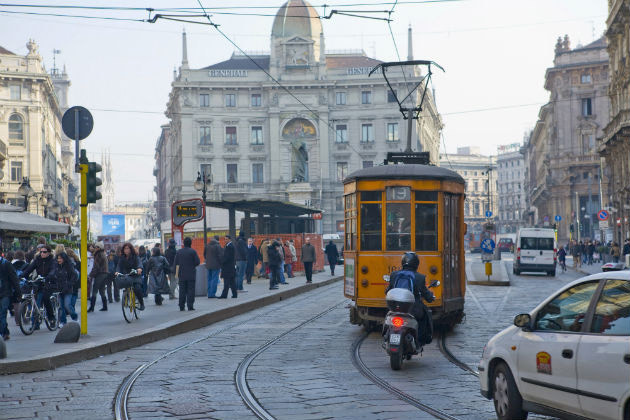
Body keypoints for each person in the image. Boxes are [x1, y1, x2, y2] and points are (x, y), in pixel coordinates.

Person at [386, 252, 435, 345]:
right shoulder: (420, 277)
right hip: (413, 310)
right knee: (425, 316)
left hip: (395, 308)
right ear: (416, 263)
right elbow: (425, 293)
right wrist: (430, 297)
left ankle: (385, 336)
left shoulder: (394, 275)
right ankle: (420, 341)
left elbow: (388, 290)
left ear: (403, 262)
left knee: (388, 317)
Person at [22, 245, 56, 329]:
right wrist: (22, 276)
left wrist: (48, 277)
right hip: (39, 282)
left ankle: (52, 318)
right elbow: (29, 269)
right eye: (41, 252)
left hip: (49, 282)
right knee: (36, 302)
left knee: (45, 298)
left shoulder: (52, 261)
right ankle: (35, 324)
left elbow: (53, 270)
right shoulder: (37, 260)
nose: (42, 253)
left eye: (44, 252)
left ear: (48, 253)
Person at [48, 252, 79, 325]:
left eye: (60, 258)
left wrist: (69, 284)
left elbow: (75, 276)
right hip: (58, 289)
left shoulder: (69, 266)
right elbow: (52, 274)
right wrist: (49, 279)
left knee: (67, 305)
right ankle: (62, 321)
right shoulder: (55, 266)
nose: (59, 260)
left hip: (67, 289)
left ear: (64, 259)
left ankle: (75, 317)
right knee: (60, 307)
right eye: (58, 258)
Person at [115, 242, 145, 311]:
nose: (126, 250)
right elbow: (119, 266)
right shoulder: (122, 258)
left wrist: (139, 269)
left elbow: (139, 263)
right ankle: (127, 297)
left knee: (137, 288)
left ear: (131, 249)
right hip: (127, 275)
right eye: (125, 249)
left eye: (128, 248)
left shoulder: (135, 256)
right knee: (125, 284)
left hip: (135, 275)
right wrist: (117, 271)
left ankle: (141, 303)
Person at [174, 237, 200, 310]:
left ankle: (181, 306)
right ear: (190, 243)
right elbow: (197, 262)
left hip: (181, 275)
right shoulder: (193, 252)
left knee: (182, 291)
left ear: (183, 243)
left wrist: (176, 274)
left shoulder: (179, 252)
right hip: (191, 274)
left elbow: (176, 264)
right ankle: (190, 306)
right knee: (190, 290)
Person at [0, 254, 20, 340]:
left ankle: (4, 332)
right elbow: (14, 278)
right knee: (2, 313)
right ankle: (4, 332)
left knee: (3, 313)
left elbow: (14, 278)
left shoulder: (6, 264)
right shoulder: (6, 263)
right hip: (5, 292)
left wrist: (18, 291)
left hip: (5, 292)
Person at [88, 242, 109, 312]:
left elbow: (96, 267)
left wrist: (90, 275)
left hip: (100, 274)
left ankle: (92, 307)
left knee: (94, 290)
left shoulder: (98, 255)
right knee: (102, 291)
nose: (95, 248)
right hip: (105, 274)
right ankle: (105, 306)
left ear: (99, 248)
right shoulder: (103, 254)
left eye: (96, 247)